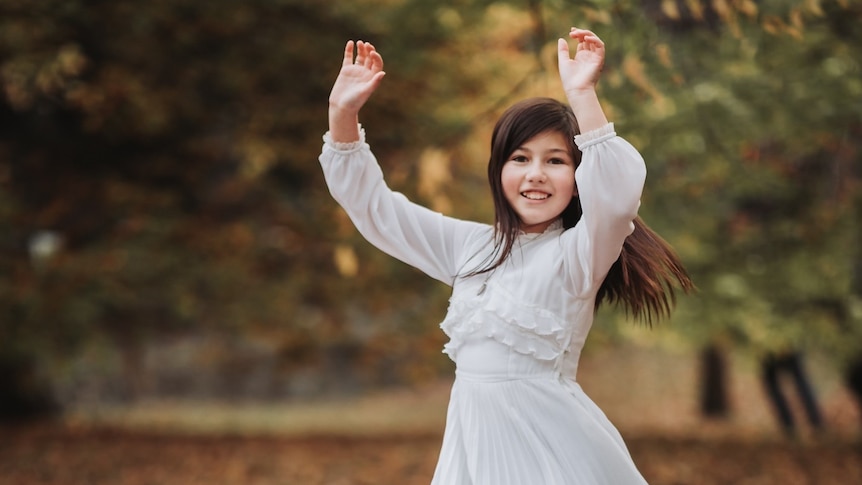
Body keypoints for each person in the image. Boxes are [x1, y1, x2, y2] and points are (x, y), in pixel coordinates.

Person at [320, 27, 693, 485]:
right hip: (474, 454)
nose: (535, 174)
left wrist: (582, 96)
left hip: (552, 454)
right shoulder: (470, 247)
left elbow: (615, 201)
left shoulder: (578, 254)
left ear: (578, 177)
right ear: (498, 170)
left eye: (555, 161)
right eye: (520, 158)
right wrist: (343, 114)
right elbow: (375, 209)